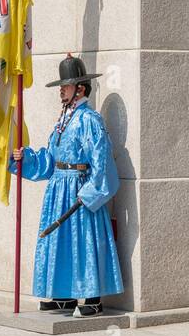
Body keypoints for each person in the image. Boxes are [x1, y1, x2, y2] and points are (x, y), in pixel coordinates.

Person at [10, 53, 124, 316]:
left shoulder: (89, 120)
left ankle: (91, 299)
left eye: (66, 85)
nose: (61, 90)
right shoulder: (63, 120)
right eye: (61, 86)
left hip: (79, 191)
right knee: (61, 243)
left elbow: (102, 162)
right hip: (58, 188)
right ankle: (64, 295)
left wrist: (90, 193)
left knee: (82, 242)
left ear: (80, 89)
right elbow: (50, 160)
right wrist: (25, 158)